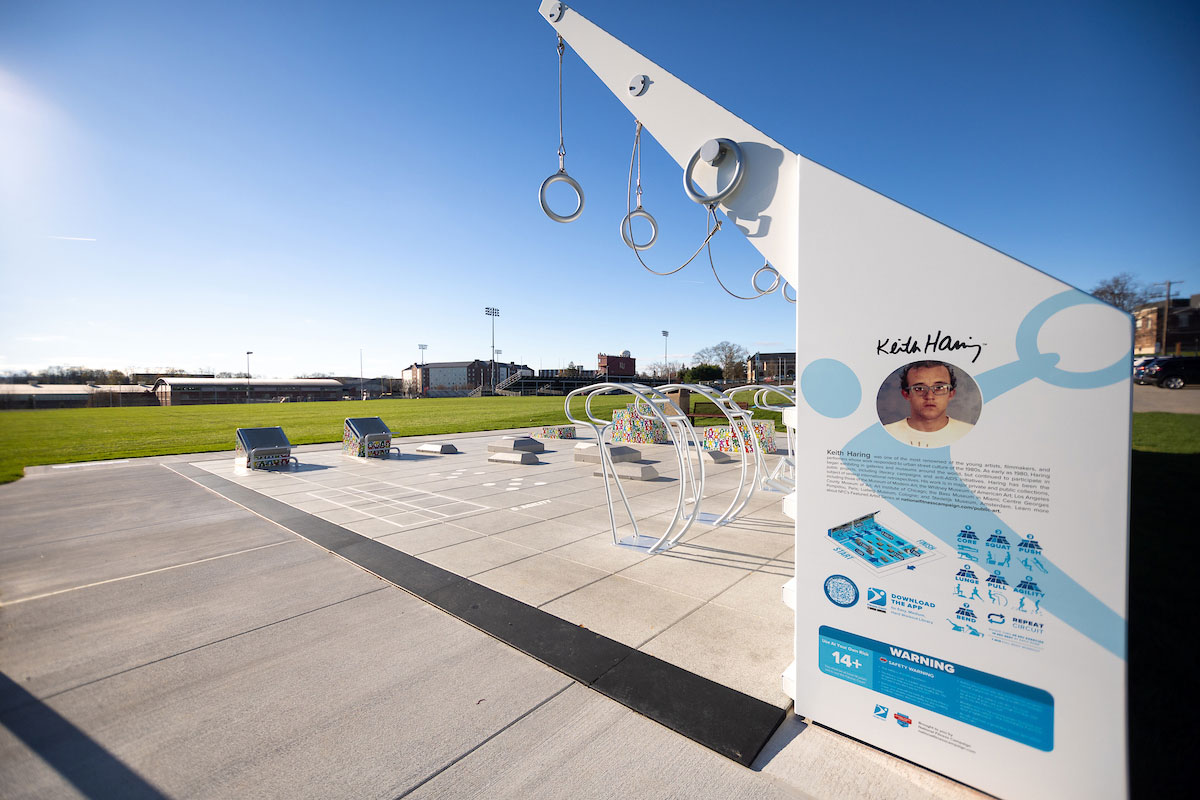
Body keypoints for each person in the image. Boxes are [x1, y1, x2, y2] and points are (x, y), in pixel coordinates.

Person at [883, 360, 974, 447]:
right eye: (919, 388)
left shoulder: (971, 432)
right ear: (906, 394)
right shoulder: (886, 432)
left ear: (951, 394)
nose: (929, 396)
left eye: (939, 387)